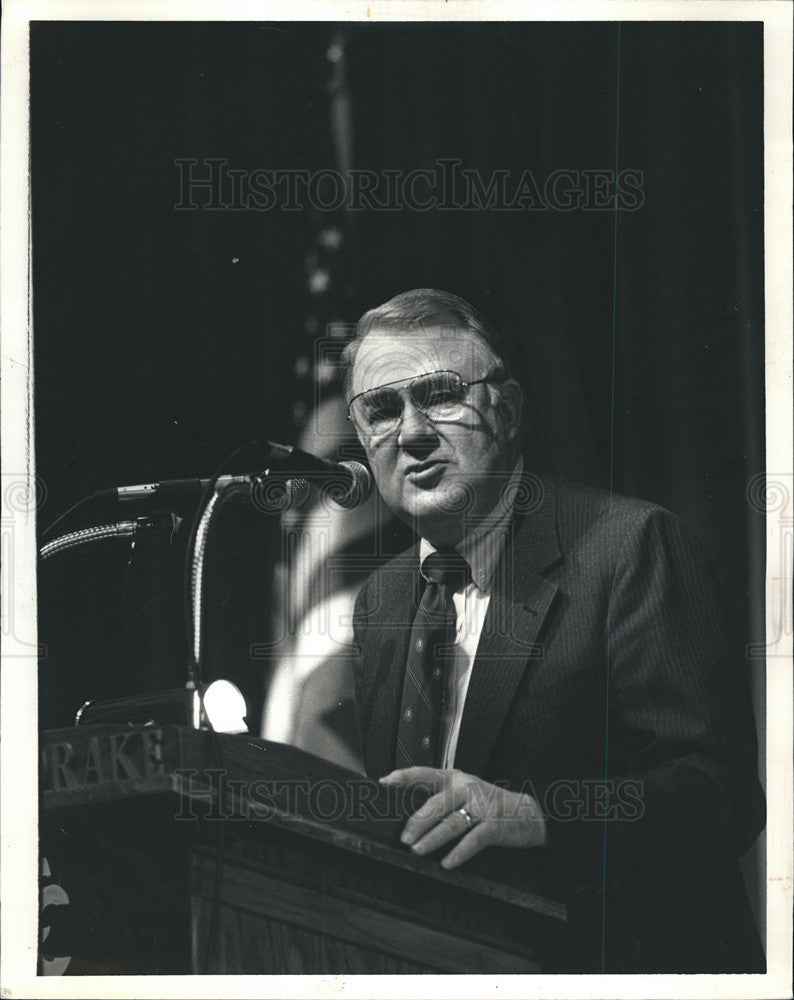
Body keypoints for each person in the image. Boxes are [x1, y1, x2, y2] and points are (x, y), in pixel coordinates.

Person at [342, 288, 765, 972]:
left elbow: (717, 795)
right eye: (383, 410)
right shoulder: (381, 600)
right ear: (363, 440)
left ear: (504, 412)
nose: (412, 432)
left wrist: (536, 817)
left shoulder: (628, 547)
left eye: (440, 395)